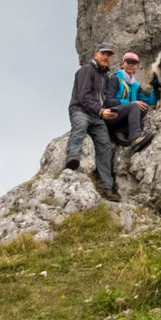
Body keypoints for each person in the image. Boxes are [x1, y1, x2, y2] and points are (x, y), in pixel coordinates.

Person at [65, 43, 122, 202]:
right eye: (103, 54)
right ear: (96, 54)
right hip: (80, 110)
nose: (106, 57)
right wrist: (100, 111)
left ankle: (106, 187)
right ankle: (72, 158)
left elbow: (105, 98)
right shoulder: (87, 70)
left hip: (97, 116)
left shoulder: (106, 76)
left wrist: (109, 112)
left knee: (105, 144)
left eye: (109, 55)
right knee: (81, 126)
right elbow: (83, 96)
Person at [108, 51, 154, 152]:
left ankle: (121, 131)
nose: (131, 65)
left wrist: (157, 84)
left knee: (143, 107)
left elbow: (150, 100)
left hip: (123, 117)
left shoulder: (135, 85)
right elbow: (109, 102)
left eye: (134, 63)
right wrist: (129, 103)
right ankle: (135, 139)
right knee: (134, 106)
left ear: (137, 66)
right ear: (123, 64)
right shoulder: (115, 79)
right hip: (111, 115)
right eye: (128, 62)